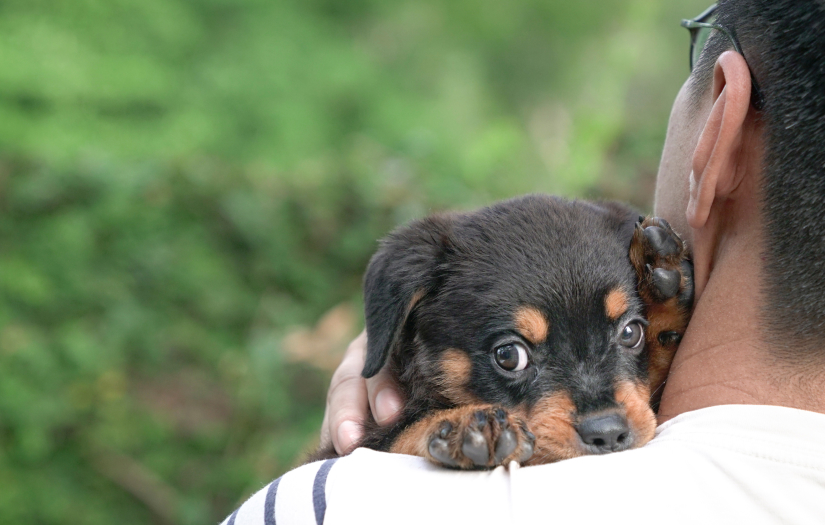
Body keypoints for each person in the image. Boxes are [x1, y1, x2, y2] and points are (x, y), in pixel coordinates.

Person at [223, 2, 825, 523]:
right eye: (512, 355)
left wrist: (380, 455)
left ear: (721, 128)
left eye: (632, 332)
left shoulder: (349, 508)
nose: (606, 422)